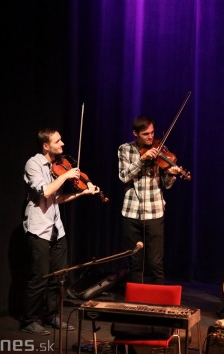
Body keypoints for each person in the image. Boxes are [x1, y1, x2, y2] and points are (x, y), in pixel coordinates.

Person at [21, 128, 99, 335]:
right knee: (39, 277)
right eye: (58, 141)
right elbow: (44, 191)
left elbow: (56, 199)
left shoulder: (58, 167)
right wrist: (66, 177)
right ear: (46, 145)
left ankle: (52, 315)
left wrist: (82, 193)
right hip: (38, 228)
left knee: (58, 277)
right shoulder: (33, 164)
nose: (63, 144)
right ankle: (29, 319)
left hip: (57, 228)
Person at [118, 116, 181, 284]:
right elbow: (123, 177)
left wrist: (171, 175)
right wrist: (141, 160)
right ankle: (135, 303)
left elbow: (166, 185)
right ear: (135, 133)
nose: (150, 137)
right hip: (131, 211)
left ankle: (158, 305)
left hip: (155, 211)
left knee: (155, 264)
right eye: (146, 134)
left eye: (152, 133)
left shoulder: (161, 148)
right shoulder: (125, 150)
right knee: (135, 263)